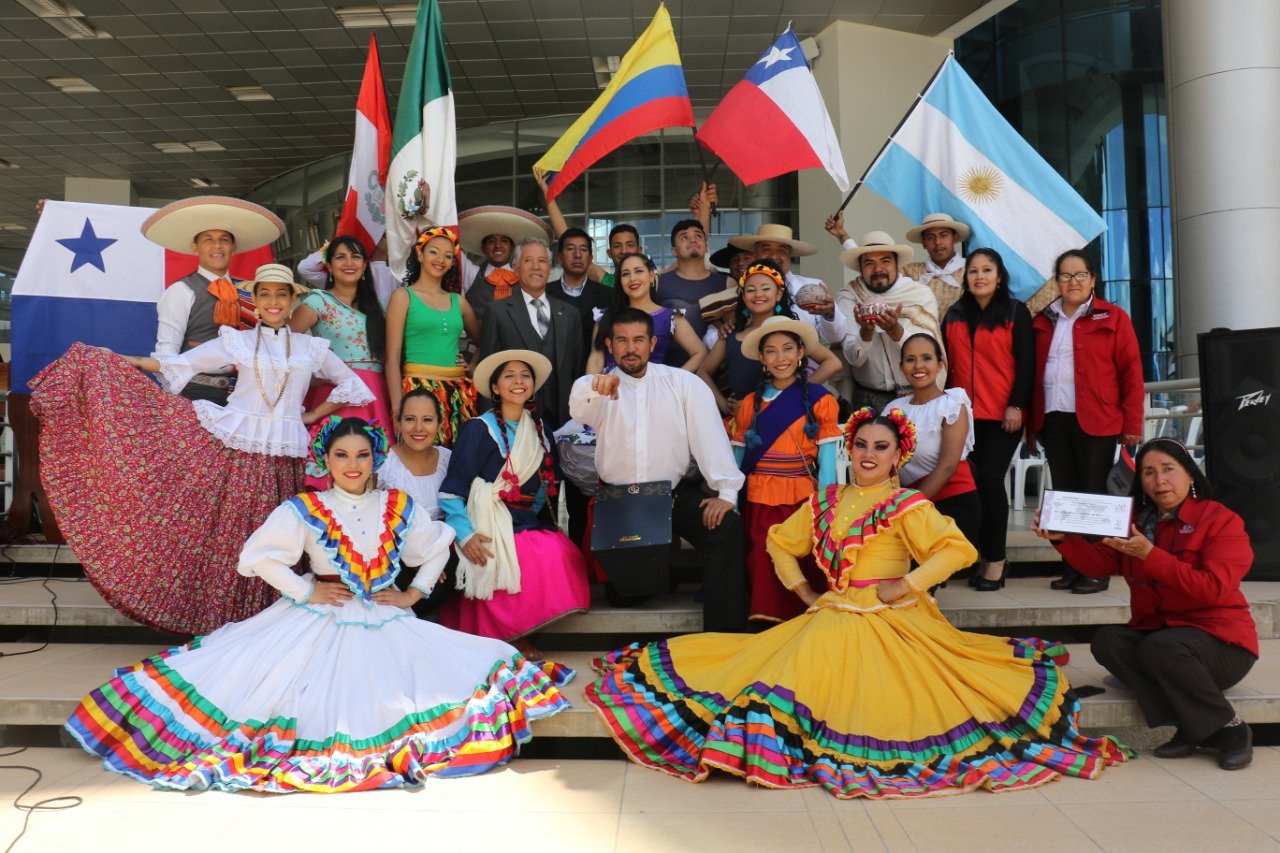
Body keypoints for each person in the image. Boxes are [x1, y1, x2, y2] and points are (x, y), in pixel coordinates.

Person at [587, 407, 1130, 799]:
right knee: (779, 664)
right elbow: (781, 541)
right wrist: (802, 591)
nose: (869, 455)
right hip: (834, 609)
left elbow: (957, 548)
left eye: (881, 447)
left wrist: (907, 585)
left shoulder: (905, 503)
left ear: (898, 456)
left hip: (891, 618)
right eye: (862, 446)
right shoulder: (825, 499)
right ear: (849, 450)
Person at [65, 416, 573, 793]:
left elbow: (436, 542)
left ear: (375, 459)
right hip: (316, 617)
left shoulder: (398, 505)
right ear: (324, 462)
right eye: (340, 456)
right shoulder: (305, 509)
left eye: (361, 455)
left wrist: (415, 592)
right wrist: (307, 590)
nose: (352, 465)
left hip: (381, 614)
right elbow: (257, 558)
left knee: (455, 673)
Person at [30, 264, 374, 635]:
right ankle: (229, 623)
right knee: (234, 536)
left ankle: (273, 621)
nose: (273, 301)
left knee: (283, 540)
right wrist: (120, 361)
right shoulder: (238, 341)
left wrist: (308, 416)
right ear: (255, 301)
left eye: (281, 294)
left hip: (286, 457)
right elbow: (178, 364)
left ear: (293, 301)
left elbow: (352, 385)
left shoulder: (312, 348)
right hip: (237, 453)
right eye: (265, 294)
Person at [1033, 437, 1257, 770]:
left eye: (1169, 470)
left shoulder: (1221, 520)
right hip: (1163, 639)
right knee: (1108, 641)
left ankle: (1230, 728)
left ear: (1191, 475)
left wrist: (1151, 556)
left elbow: (1213, 589)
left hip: (1221, 646)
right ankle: (1193, 727)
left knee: (1162, 647)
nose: (1159, 480)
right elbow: (1100, 564)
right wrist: (1064, 539)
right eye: (1149, 473)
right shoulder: (1135, 520)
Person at [570, 307, 747, 632]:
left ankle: (725, 632)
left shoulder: (683, 385)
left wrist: (726, 493)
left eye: (639, 340)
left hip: (671, 495)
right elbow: (578, 407)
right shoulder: (595, 388)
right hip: (624, 503)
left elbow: (709, 439)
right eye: (622, 341)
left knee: (727, 527)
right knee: (626, 595)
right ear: (610, 345)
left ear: (653, 343)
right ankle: (660, 573)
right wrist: (597, 388)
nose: (631, 348)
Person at [437, 351, 591, 650]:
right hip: (487, 518)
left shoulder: (540, 429)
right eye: (509, 376)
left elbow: (547, 484)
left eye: (525, 375)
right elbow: (452, 490)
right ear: (495, 388)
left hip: (525, 519)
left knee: (560, 552)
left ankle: (523, 628)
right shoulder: (478, 429)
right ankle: (512, 637)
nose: (518, 382)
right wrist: (466, 535)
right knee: (531, 555)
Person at [1029, 249, 1145, 594]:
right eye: (1065, 276)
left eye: (1080, 275)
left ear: (1093, 279)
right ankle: (1073, 565)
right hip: (1053, 417)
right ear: (1056, 282)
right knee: (1064, 494)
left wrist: (1132, 423)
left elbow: (1131, 373)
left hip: (1099, 418)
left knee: (1092, 494)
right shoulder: (1043, 319)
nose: (1073, 282)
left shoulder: (1113, 317)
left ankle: (1096, 570)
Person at [728, 316, 841, 623]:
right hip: (758, 496)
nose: (781, 358)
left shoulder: (821, 400)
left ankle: (800, 619)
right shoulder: (750, 404)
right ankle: (763, 621)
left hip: (801, 500)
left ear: (801, 352)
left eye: (788, 349)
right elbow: (738, 458)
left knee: (798, 557)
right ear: (762, 358)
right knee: (761, 559)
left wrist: (826, 503)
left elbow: (828, 458)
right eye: (772, 351)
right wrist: (730, 498)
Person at [941, 249, 1034, 589]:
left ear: (999, 276)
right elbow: (943, 363)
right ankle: (969, 555)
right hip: (961, 416)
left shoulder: (1014, 311)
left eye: (987, 270)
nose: (980, 276)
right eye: (973, 271)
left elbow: (1026, 364)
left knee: (990, 482)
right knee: (965, 487)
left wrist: (1016, 405)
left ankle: (995, 560)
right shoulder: (953, 314)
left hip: (1001, 415)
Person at [144, 196, 284, 404]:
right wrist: (175, 401)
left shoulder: (248, 292)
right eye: (208, 239)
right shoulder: (181, 291)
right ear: (195, 247)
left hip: (246, 393)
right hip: (196, 392)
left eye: (224, 239)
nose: (217, 246)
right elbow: (167, 351)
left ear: (233, 247)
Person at [290, 235, 393, 489]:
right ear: (329, 265)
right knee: (335, 471)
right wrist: (310, 378)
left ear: (365, 264)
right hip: (336, 397)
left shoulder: (375, 305)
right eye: (340, 257)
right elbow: (285, 343)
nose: (349, 263)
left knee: (373, 472)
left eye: (356, 256)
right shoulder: (318, 300)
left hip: (375, 394)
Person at [887, 334, 981, 583]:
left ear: (941, 364)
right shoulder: (894, 408)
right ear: (901, 368)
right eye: (910, 360)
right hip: (911, 506)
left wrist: (906, 510)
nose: (918, 366)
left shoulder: (952, 402)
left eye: (927, 358)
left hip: (951, 505)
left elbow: (948, 467)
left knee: (915, 584)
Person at [698, 259, 842, 415]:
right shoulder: (731, 333)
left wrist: (798, 390)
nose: (758, 294)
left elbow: (833, 362)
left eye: (766, 288)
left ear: (778, 294)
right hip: (742, 421)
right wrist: (723, 404)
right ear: (744, 297)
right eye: (751, 290)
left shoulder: (791, 330)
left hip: (785, 415)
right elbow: (703, 372)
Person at [384, 227, 482, 447]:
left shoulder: (459, 301)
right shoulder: (403, 296)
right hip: (417, 390)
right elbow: (391, 359)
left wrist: (473, 365)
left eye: (448, 256)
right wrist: (398, 409)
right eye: (434, 252)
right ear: (420, 254)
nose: (441, 260)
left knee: (455, 458)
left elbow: (483, 341)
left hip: (457, 394)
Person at [479, 238, 583, 433]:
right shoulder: (497, 311)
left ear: (550, 268)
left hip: (563, 422)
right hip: (515, 423)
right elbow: (488, 373)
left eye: (542, 261)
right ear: (516, 268)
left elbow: (577, 371)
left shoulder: (570, 314)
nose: (536, 267)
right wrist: (490, 427)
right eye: (528, 260)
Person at [835, 231, 941, 411]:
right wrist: (866, 333)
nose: (878, 269)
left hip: (915, 394)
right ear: (860, 267)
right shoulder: (849, 297)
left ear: (897, 264)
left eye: (885, 261)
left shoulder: (919, 294)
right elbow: (854, 358)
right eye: (869, 263)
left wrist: (895, 330)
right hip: (867, 398)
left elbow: (928, 352)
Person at [585, 252, 707, 375]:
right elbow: (596, 359)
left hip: (653, 391)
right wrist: (591, 391)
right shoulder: (605, 316)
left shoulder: (670, 317)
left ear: (651, 276)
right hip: (611, 390)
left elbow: (700, 352)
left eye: (638, 271)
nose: (632, 278)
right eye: (626, 274)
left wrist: (673, 381)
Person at [728, 223, 846, 346]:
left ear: (790, 255)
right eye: (766, 249)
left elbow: (837, 337)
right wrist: (726, 328)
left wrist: (829, 313)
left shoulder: (813, 287)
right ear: (755, 254)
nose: (773, 256)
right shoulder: (742, 292)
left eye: (781, 250)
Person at [458, 205, 554, 321]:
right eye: (491, 241)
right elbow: (449, 245)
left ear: (512, 247)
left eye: (504, 241)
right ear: (483, 248)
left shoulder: (524, 276)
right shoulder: (471, 275)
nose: (498, 245)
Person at [657, 218, 731, 365]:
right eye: (684, 237)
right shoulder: (658, 283)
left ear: (706, 246)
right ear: (673, 250)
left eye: (698, 236)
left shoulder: (727, 282)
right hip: (666, 372)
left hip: (713, 375)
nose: (693, 240)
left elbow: (733, 327)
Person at [545, 227, 613, 368]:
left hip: (593, 376)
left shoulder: (608, 295)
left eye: (583, 249)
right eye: (570, 249)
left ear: (590, 259)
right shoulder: (544, 293)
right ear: (559, 258)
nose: (577, 255)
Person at [297, 234, 398, 307]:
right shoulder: (340, 277)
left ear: (364, 266)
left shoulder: (397, 274)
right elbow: (305, 268)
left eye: (384, 235)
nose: (349, 264)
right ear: (330, 267)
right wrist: (342, 242)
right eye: (341, 257)